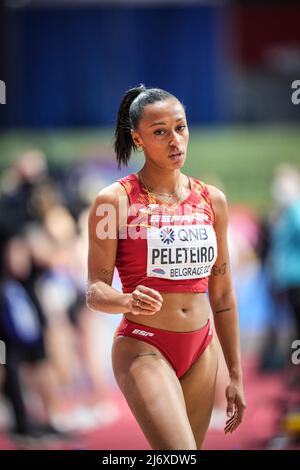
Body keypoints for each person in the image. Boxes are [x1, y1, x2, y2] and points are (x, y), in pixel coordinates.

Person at [86, 85, 246, 450]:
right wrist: (127, 301)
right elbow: (95, 289)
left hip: (201, 348)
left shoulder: (212, 200)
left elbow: (222, 296)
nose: (175, 140)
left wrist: (235, 373)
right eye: (160, 131)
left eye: (181, 127)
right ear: (137, 139)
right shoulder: (114, 200)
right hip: (144, 347)